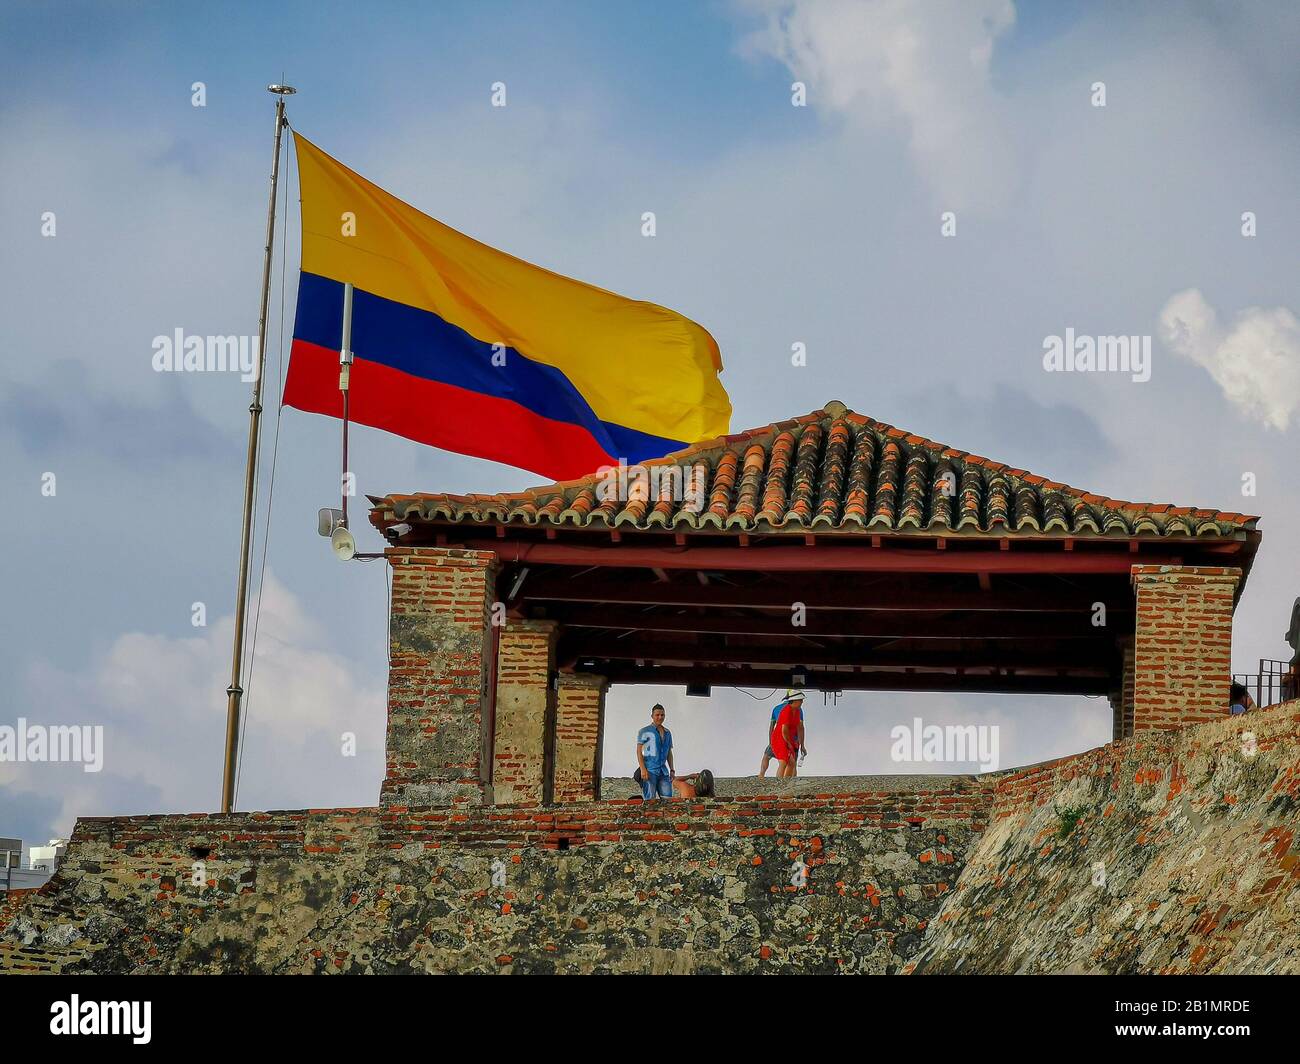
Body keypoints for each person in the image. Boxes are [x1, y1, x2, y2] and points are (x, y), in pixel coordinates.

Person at [759, 689, 808, 777]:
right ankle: (781, 782)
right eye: (800, 700)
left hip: (786, 739)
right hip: (781, 739)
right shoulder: (788, 710)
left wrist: (770, 742)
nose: (802, 702)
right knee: (784, 762)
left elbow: (772, 726)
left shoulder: (794, 710)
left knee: (789, 762)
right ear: (794, 700)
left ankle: (765, 775)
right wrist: (794, 743)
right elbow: (786, 729)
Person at [635, 704, 674, 800]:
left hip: (663, 771)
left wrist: (672, 769)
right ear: (652, 716)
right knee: (650, 800)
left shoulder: (667, 733)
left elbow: (669, 752)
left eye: (662, 715)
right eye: (657, 715)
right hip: (650, 770)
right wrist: (643, 769)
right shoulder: (644, 731)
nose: (660, 717)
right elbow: (639, 751)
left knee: (668, 800)